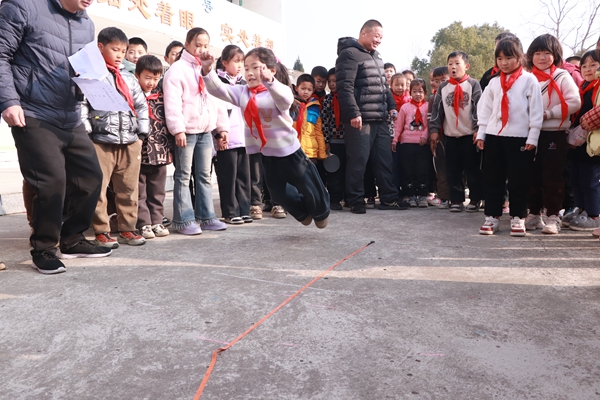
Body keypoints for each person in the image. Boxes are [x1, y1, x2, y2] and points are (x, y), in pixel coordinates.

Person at [0, 0, 111, 274]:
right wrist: (8, 101)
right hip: (33, 112)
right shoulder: (23, 6)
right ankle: (44, 248)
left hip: (70, 116)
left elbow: (83, 68)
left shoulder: (87, 23)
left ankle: (72, 239)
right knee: (50, 183)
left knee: (91, 178)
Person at [201, 47, 330, 228]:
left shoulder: (276, 91)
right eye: (246, 68)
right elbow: (220, 90)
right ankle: (302, 213)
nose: (249, 73)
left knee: (309, 184)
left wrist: (271, 82)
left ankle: (321, 212)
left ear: (272, 70)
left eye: (255, 67)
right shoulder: (243, 92)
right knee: (277, 193)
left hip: (290, 151)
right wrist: (207, 70)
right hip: (268, 154)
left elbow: (285, 99)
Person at [81, 27, 149, 248]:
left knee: (129, 189)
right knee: (99, 189)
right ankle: (102, 231)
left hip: (130, 141)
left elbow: (141, 105)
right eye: (115, 49)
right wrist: (88, 133)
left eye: (123, 50)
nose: (120, 55)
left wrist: (141, 134)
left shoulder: (129, 78)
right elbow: (81, 105)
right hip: (101, 141)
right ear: (100, 47)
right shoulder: (91, 76)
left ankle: (127, 229)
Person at [335, 19, 407, 214]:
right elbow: (345, 87)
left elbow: (384, 86)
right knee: (358, 161)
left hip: (380, 118)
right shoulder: (349, 54)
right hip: (360, 119)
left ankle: (389, 198)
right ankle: (355, 200)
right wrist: (353, 112)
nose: (379, 40)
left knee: (384, 159)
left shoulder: (377, 56)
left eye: (381, 37)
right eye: (376, 36)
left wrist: (391, 107)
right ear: (363, 33)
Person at [163, 27, 230, 235]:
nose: (201, 49)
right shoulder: (177, 70)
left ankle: (206, 217)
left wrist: (222, 128)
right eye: (197, 45)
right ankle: (183, 220)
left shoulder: (208, 68)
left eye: (205, 45)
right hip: (186, 131)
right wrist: (178, 130)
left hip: (205, 132)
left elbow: (218, 99)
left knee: (204, 175)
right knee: (183, 176)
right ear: (187, 44)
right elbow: (172, 103)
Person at [476, 36, 543, 236]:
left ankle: (517, 217)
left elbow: (536, 110)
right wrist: (481, 133)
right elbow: (485, 109)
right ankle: (492, 216)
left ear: (519, 57)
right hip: (494, 136)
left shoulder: (529, 80)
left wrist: (533, 136)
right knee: (493, 178)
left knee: (519, 179)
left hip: (519, 137)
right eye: (500, 59)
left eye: (508, 58)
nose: (504, 63)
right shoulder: (493, 82)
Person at [524, 34, 581, 235]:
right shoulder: (526, 77)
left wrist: (548, 114)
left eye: (546, 53)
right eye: (537, 53)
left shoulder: (562, 76)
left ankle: (553, 216)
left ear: (555, 55)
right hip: (530, 133)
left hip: (554, 133)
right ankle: (534, 213)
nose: (541, 57)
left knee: (553, 176)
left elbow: (574, 102)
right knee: (531, 174)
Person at [429, 51, 484, 213]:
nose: (453, 67)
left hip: (470, 135)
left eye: (457, 63)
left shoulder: (473, 84)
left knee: (472, 169)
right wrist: (434, 130)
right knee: (453, 169)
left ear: (466, 66)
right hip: (451, 135)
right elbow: (437, 110)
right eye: (450, 64)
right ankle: (456, 199)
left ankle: (475, 199)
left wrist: (478, 129)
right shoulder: (444, 87)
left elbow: (479, 108)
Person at [134, 54, 174, 239]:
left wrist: (170, 149)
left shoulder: (162, 97)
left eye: (156, 78)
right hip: (139, 153)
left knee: (157, 191)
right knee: (140, 192)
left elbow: (169, 123)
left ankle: (157, 221)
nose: (151, 83)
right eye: (147, 78)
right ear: (137, 75)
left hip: (160, 151)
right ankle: (144, 224)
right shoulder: (132, 96)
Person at [213, 45, 253, 225]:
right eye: (236, 61)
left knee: (243, 177)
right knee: (227, 177)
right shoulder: (217, 83)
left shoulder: (244, 84)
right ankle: (230, 212)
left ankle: (244, 210)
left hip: (244, 138)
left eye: (241, 62)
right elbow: (216, 110)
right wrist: (218, 134)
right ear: (224, 62)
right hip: (226, 138)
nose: (239, 66)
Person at [563, 50, 600, 232]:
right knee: (576, 179)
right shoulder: (582, 87)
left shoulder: (598, 88)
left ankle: (593, 215)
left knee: (590, 180)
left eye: (593, 65)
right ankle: (581, 209)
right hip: (578, 142)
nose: (588, 69)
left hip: (593, 144)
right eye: (584, 66)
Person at [392, 79, 430, 208]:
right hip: (407, 143)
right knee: (408, 170)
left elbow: (429, 124)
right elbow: (399, 125)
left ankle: (422, 195)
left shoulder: (428, 107)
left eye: (420, 91)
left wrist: (425, 136)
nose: (417, 94)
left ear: (425, 93)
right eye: (414, 91)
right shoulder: (405, 107)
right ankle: (410, 195)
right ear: (410, 92)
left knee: (422, 170)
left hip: (422, 144)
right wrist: (395, 140)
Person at [322, 67, 346, 210]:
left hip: (348, 141)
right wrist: (326, 140)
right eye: (329, 81)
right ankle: (334, 199)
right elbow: (325, 122)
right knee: (334, 171)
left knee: (348, 170)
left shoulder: (347, 98)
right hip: (333, 141)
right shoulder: (327, 100)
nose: (332, 84)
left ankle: (348, 197)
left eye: (335, 81)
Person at [428, 66, 450, 209]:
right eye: (435, 81)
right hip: (439, 137)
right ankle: (444, 197)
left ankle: (457, 197)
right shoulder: (432, 98)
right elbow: (430, 119)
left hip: (454, 135)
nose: (439, 83)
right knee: (441, 169)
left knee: (456, 168)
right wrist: (432, 135)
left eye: (443, 80)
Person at [291, 74, 327, 164]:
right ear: (296, 88)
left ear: (313, 90)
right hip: (293, 150)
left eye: (309, 90)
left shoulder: (315, 107)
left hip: (311, 153)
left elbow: (318, 132)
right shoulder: (291, 105)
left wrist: (322, 153)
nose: (306, 92)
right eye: (303, 89)